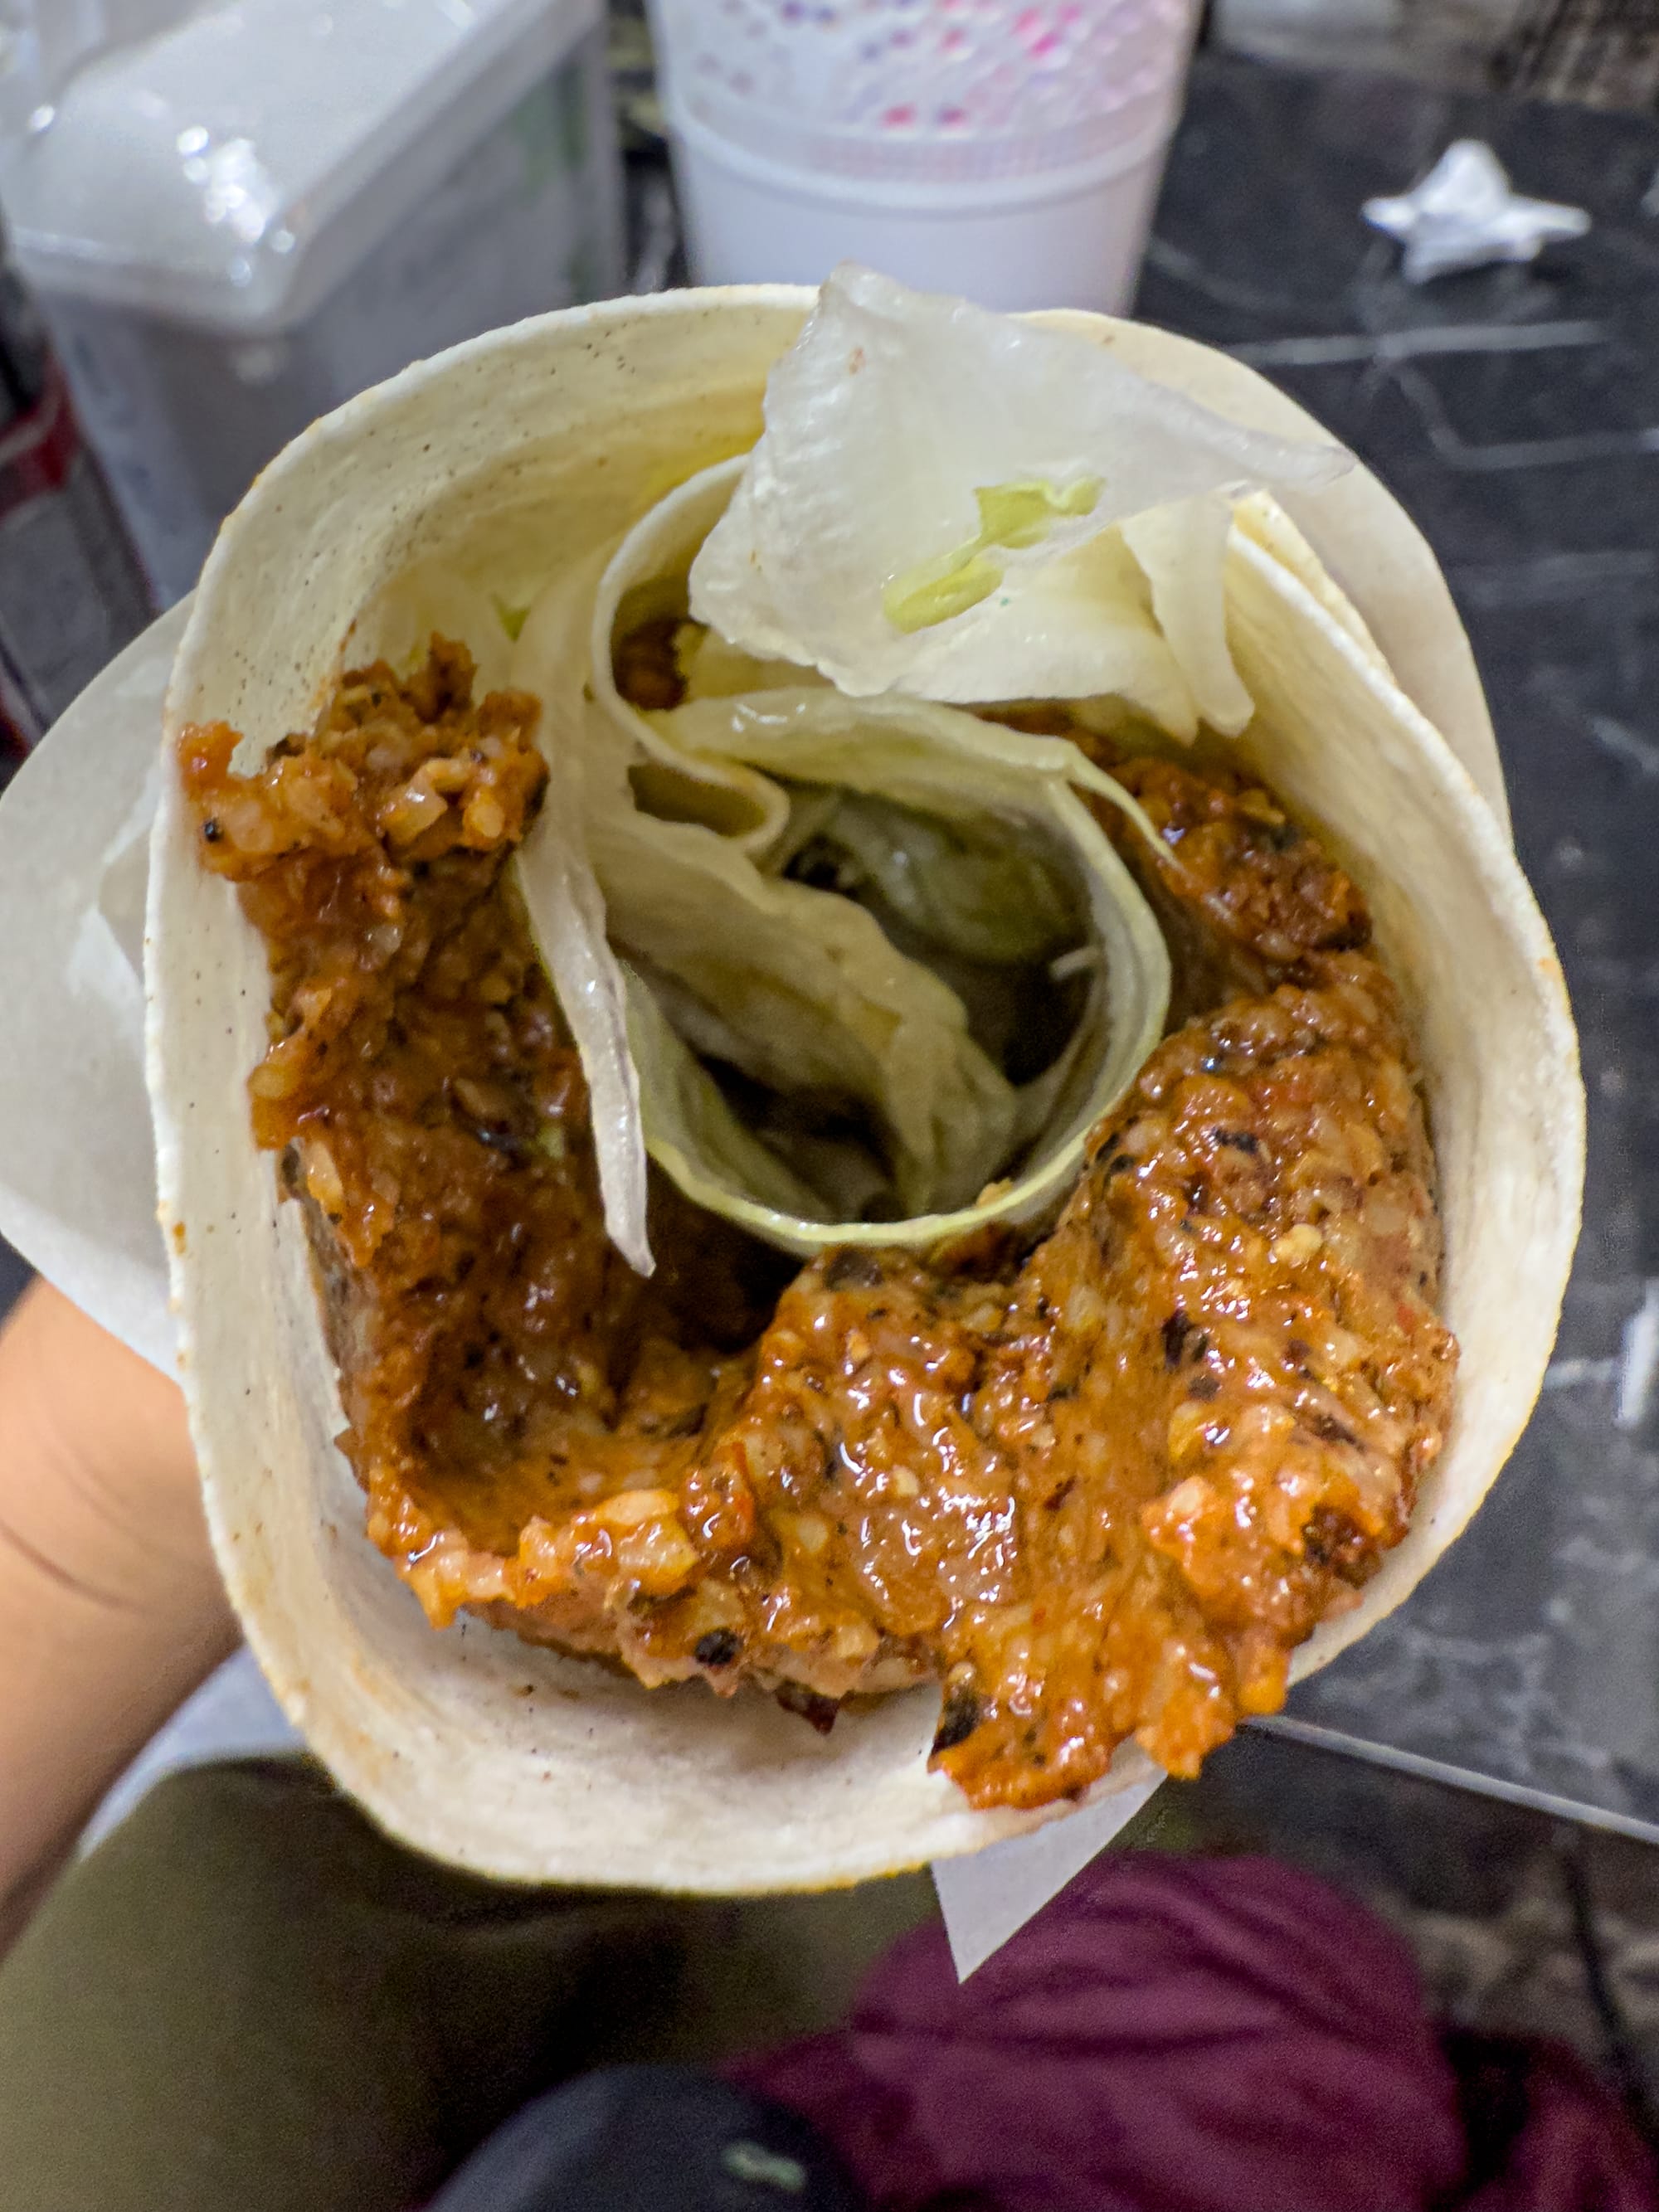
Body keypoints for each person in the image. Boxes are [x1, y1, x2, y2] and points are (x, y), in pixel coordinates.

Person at [0, 1278, 1654, 2212]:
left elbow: (90, 1508)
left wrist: (161, 1389)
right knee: (1097, 1850)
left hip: (440, 1993)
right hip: (1012, 2072)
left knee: (196, 1928)